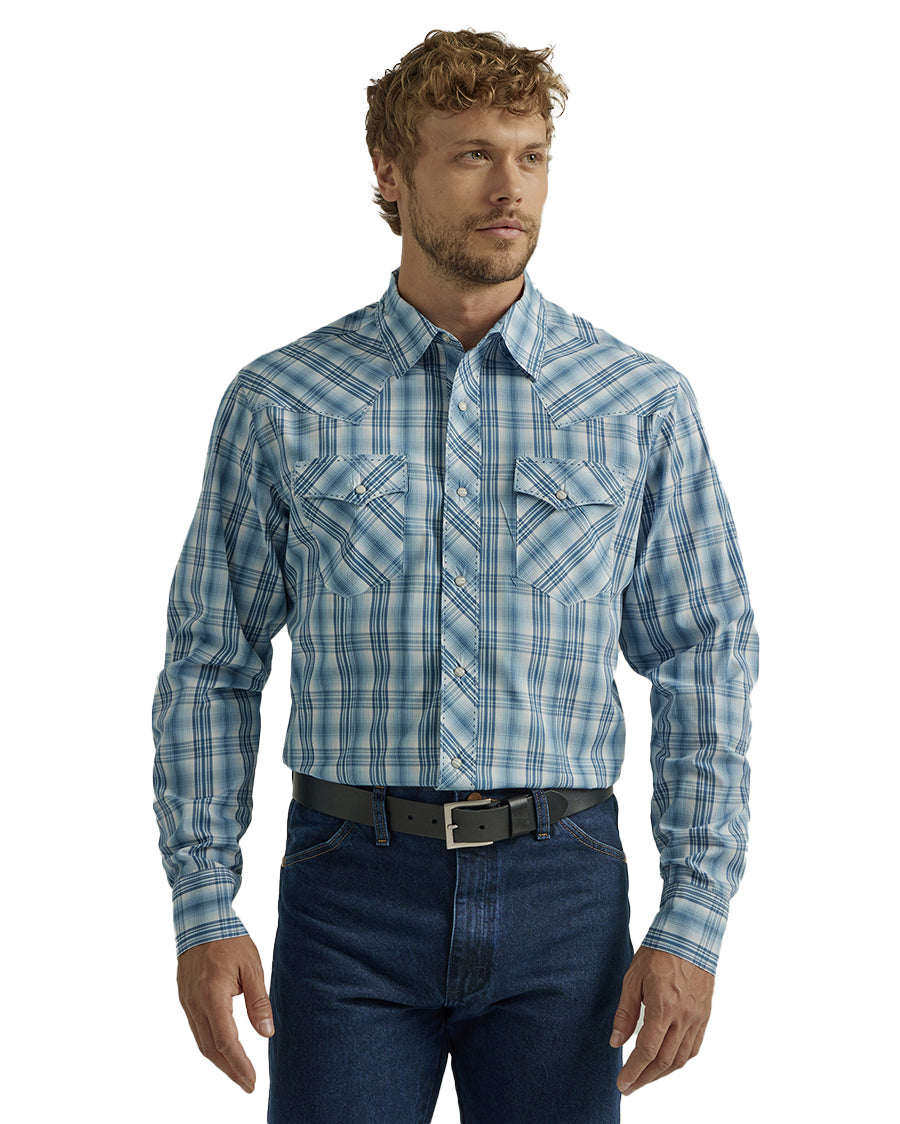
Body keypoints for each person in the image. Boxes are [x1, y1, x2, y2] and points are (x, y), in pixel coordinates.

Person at [152, 28, 758, 1124]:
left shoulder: (639, 403)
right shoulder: (282, 400)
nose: (509, 189)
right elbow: (211, 660)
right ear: (390, 172)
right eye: (473, 154)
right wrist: (204, 902)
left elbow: (705, 655)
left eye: (531, 156)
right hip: (349, 891)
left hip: (566, 890)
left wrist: (694, 918)